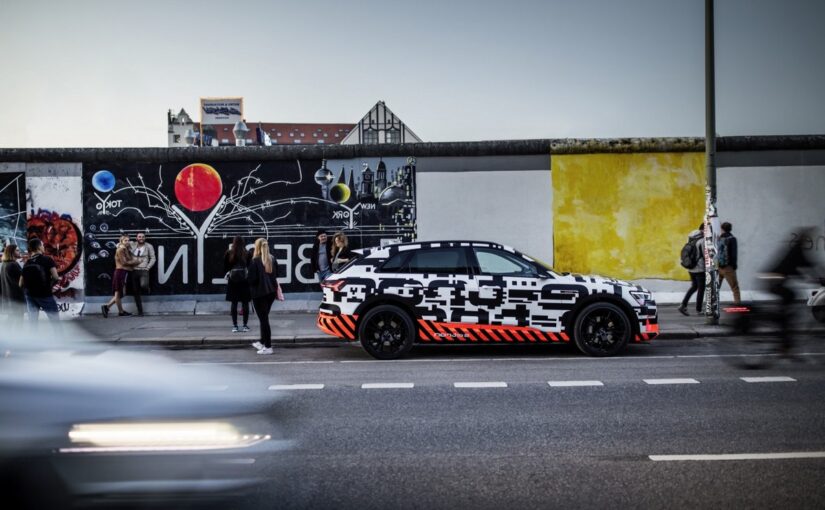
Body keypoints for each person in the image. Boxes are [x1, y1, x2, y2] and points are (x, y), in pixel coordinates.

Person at [248, 238, 280, 355]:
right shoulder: (273, 259)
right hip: (271, 292)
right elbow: (277, 274)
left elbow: (252, 280)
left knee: (264, 320)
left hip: (259, 293)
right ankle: (262, 342)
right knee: (264, 318)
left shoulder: (255, 261)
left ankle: (268, 346)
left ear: (256, 247)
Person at [19, 238, 61, 326]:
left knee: (33, 321)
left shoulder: (27, 262)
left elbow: (20, 283)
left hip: (29, 295)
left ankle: (34, 338)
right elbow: (56, 277)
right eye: (42, 245)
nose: (43, 246)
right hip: (44, 294)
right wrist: (50, 287)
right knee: (55, 320)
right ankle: (59, 338)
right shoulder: (47, 259)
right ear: (38, 247)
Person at [101, 235, 141, 317]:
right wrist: (136, 262)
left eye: (128, 240)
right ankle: (120, 311)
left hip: (123, 271)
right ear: (121, 241)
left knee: (119, 293)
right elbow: (124, 262)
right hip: (120, 272)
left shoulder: (125, 249)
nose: (127, 242)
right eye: (125, 240)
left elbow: (128, 260)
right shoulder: (121, 249)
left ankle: (107, 307)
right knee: (118, 293)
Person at [224, 236, 251, 333]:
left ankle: (235, 326)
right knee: (245, 303)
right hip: (244, 281)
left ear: (234, 242)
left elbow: (225, 267)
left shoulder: (229, 253)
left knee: (234, 303)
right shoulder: (247, 253)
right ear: (243, 243)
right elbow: (250, 266)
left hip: (233, 281)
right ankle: (245, 326)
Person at [678, 223, 706, 316]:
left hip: (691, 268)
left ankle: (683, 305)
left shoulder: (691, 237)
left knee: (694, 287)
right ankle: (699, 310)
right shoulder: (702, 241)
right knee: (701, 289)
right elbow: (705, 256)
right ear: (703, 229)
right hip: (700, 269)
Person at [1, 244, 25, 325]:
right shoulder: (13, 264)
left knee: (11, 319)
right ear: (11, 252)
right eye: (17, 250)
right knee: (18, 321)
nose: (19, 252)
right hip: (16, 297)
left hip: (9, 297)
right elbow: (23, 279)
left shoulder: (4, 264)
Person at [718, 221, 740, 304]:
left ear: (722, 229)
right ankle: (738, 305)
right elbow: (734, 254)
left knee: (716, 288)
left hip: (719, 267)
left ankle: (712, 306)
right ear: (730, 229)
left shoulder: (719, 238)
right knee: (735, 288)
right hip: (728, 267)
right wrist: (734, 266)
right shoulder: (732, 239)